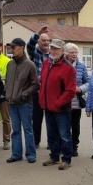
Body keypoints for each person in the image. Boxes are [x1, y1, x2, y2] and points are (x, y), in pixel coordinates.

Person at [39, 38, 76, 170]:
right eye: (52, 48)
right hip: (47, 106)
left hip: (61, 108)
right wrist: (42, 100)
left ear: (62, 51)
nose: (53, 51)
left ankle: (66, 159)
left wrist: (58, 103)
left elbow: (70, 91)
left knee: (64, 135)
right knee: (51, 134)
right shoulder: (46, 63)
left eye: (56, 49)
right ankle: (54, 157)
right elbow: (42, 83)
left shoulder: (68, 68)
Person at [4, 38, 39, 163]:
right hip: (12, 103)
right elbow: (8, 81)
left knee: (28, 129)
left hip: (25, 103)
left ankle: (31, 154)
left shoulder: (30, 65)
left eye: (14, 47)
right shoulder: (10, 64)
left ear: (22, 47)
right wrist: (7, 93)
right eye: (11, 47)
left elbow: (36, 85)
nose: (11, 50)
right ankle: (16, 154)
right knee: (16, 130)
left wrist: (24, 94)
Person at [26, 27, 51, 147]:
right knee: (36, 118)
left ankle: (51, 142)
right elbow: (29, 45)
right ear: (39, 42)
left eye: (47, 41)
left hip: (50, 92)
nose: (46, 43)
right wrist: (37, 34)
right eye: (43, 40)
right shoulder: (35, 54)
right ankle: (36, 142)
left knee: (51, 118)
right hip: (37, 92)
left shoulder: (53, 55)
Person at [64, 42, 89, 157]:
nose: (74, 54)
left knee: (75, 125)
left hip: (76, 102)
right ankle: (65, 146)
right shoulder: (61, 65)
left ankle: (74, 147)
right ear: (66, 53)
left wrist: (81, 88)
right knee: (64, 125)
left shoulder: (82, 66)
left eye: (75, 52)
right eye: (71, 52)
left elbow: (88, 82)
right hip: (63, 101)